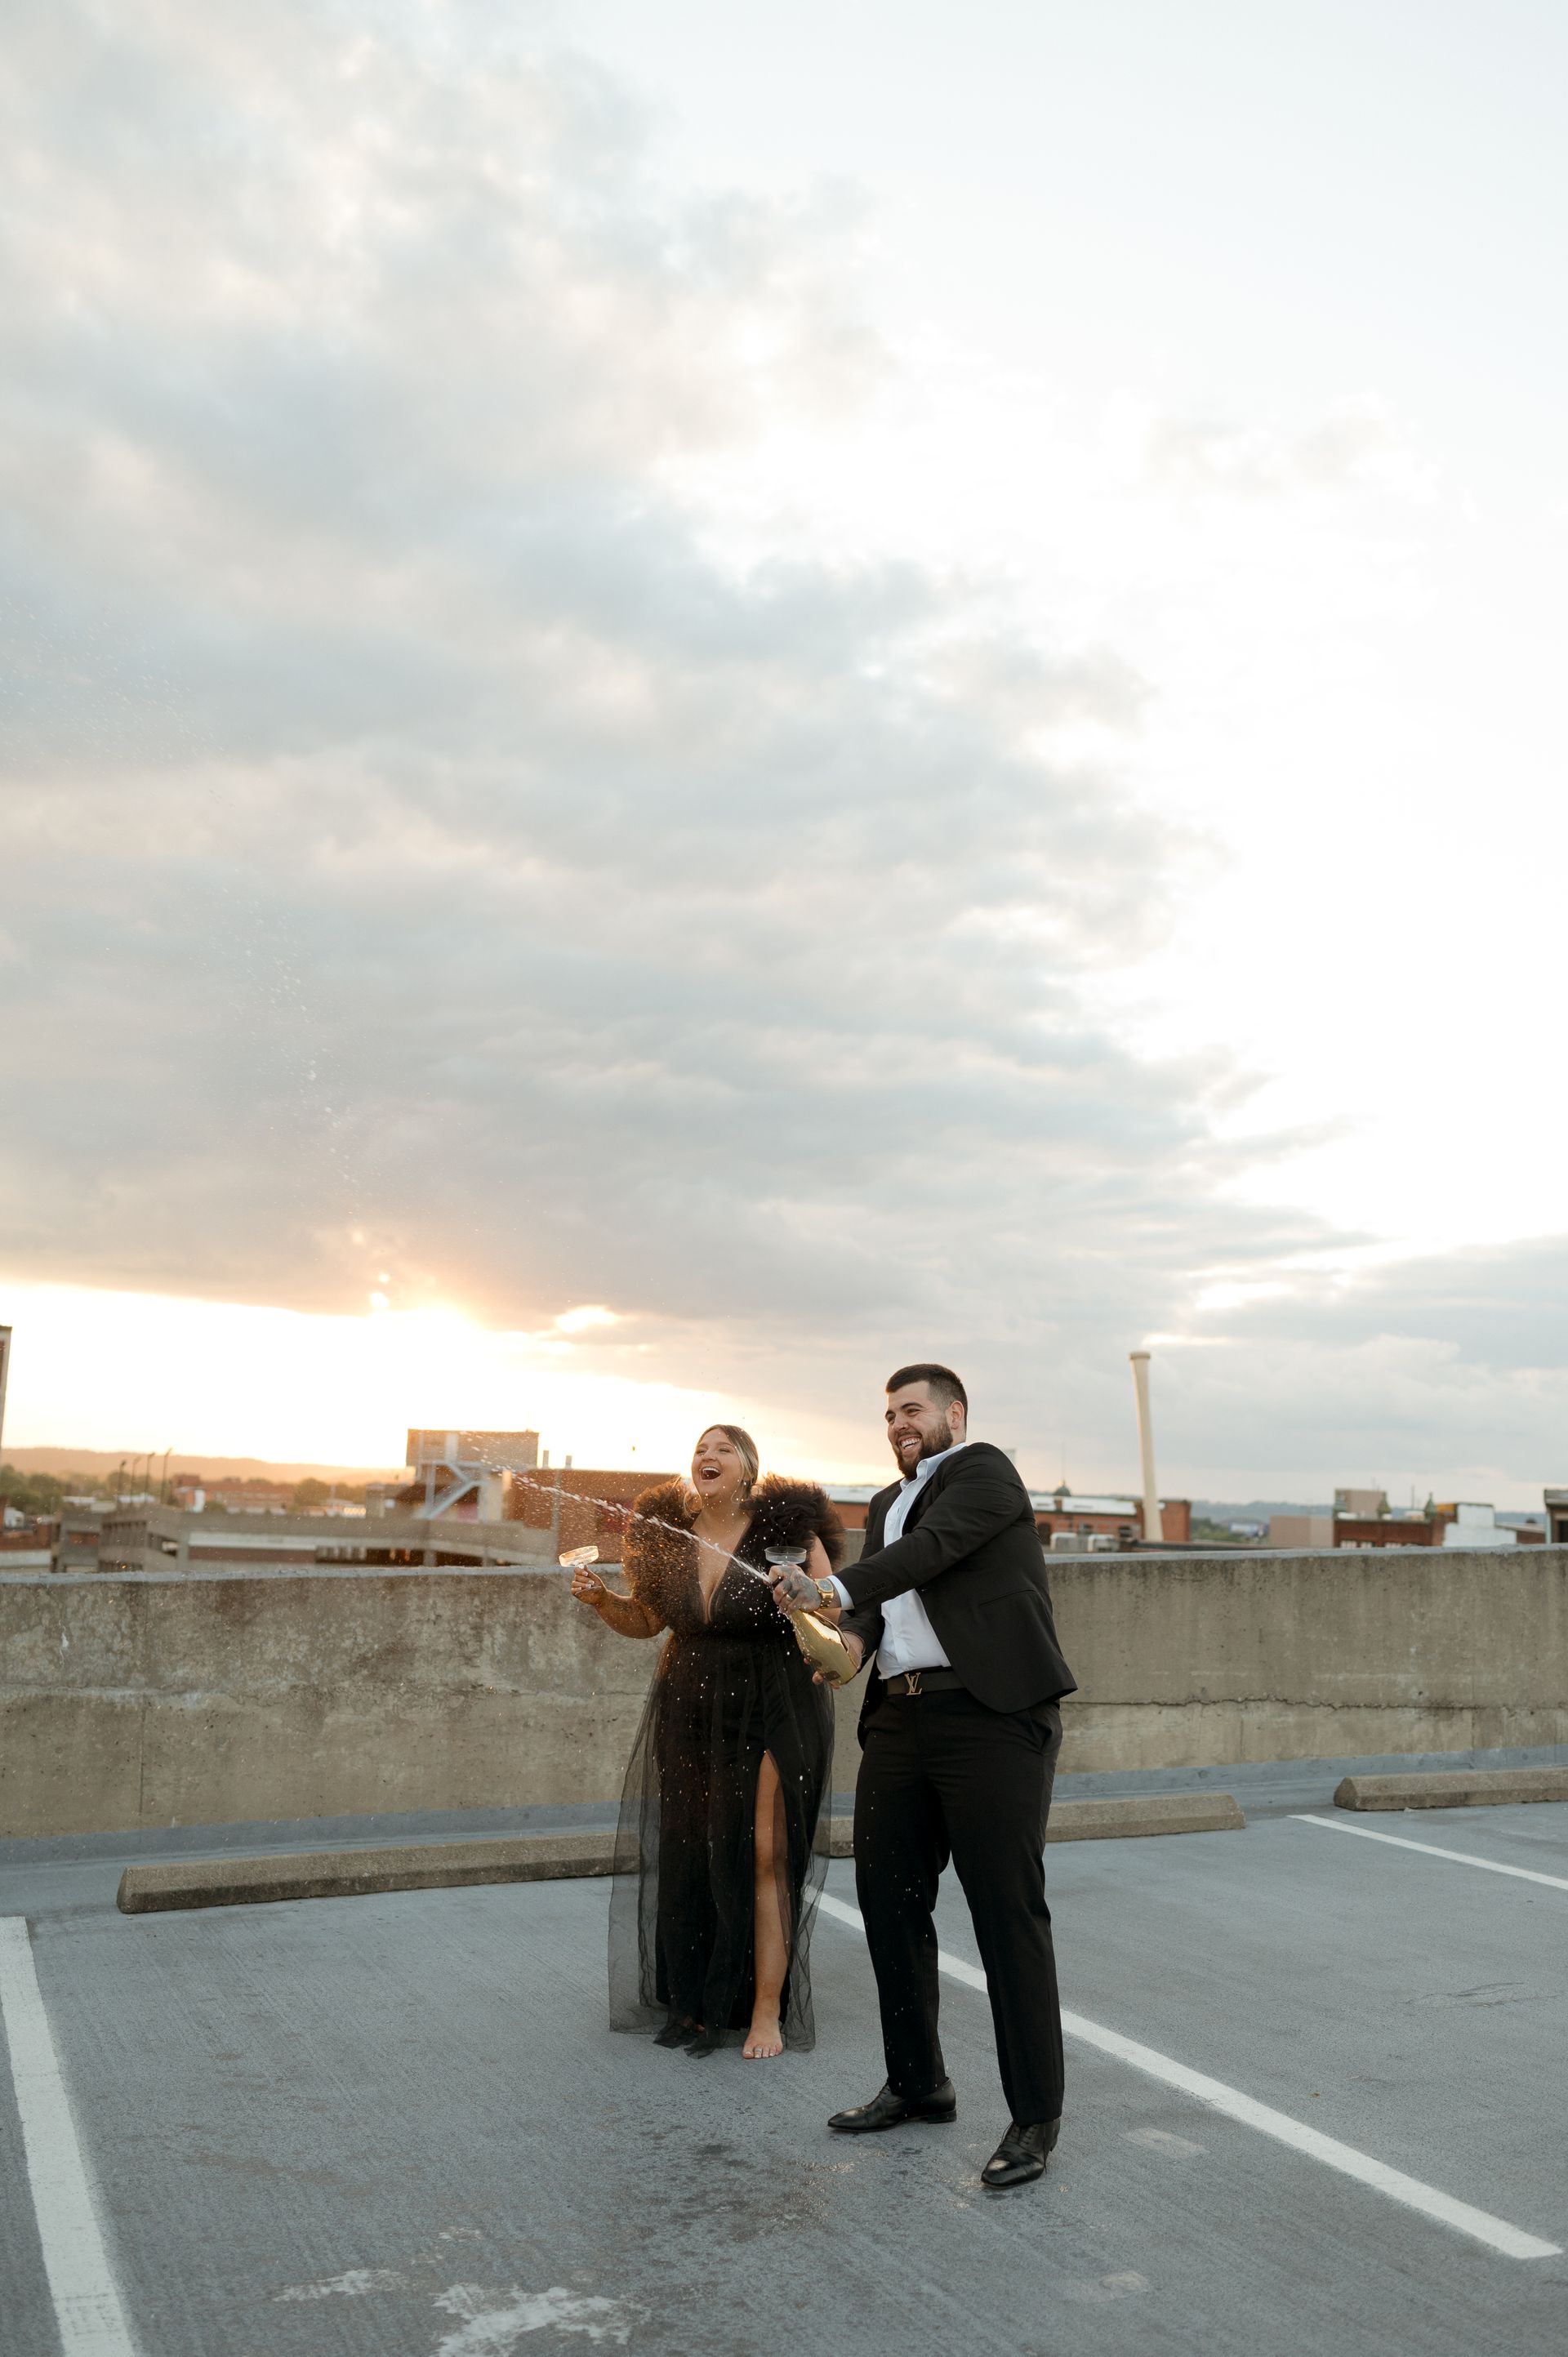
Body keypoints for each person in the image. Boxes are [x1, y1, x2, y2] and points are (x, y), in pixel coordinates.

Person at [771, 1364, 1076, 2188]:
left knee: (1007, 1913)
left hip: (991, 1717)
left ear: (954, 1413)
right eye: (889, 1414)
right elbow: (885, 1601)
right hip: (900, 1719)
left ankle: (1034, 2119)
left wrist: (830, 1586)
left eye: (913, 1410)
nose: (899, 1423)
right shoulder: (883, 1502)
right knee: (890, 1905)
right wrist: (848, 1643)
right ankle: (917, 2083)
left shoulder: (984, 1473)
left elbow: (929, 1555)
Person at [572, 1424, 843, 2059]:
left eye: (723, 1449)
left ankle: (765, 2010)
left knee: (763, 1855)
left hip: (772, 1703)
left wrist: (802, 1600)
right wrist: (602, 1600)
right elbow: (646, 1619)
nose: (708, 1456)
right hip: (690, 1707)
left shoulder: (787, 1532)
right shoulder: (665, 1533)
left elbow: (833, 1610)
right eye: (700, 1449)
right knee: (692, 1851)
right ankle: (697, 1998)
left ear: (749, 1466)